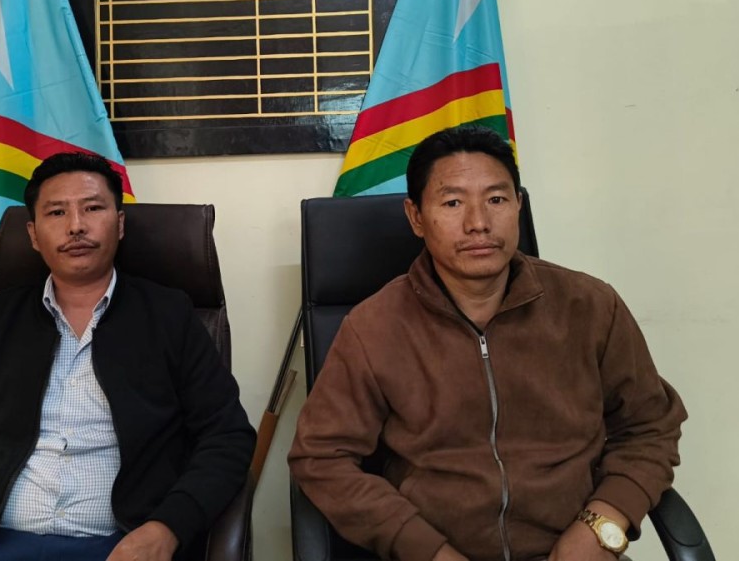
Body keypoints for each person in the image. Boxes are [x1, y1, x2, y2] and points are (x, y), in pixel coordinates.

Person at [288, 125, 687, 561]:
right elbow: (321, 457)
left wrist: (602, 524)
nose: (478, 223)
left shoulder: (589, 306)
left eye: (496, 199)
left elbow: (650, 425)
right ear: (416, 217)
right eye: (453, 202)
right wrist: (424, 549)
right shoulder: (375, 326)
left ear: (518, 205)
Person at [0, 152, 255, 561]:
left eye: (93, 208)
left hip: (123, 547)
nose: (76, 225)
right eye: (57, 212)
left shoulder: (170, 316)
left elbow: (227, 436)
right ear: (33, 235)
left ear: (120, 223)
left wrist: (166, 528)